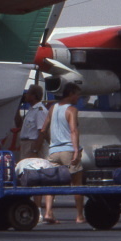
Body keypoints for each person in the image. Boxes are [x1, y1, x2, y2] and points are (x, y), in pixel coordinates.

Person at [42, 82, 85, 225]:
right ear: (71, 94)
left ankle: (48, 212)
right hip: (67, 149)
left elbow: (43, 129)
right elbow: (73, 130)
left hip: (54, 151)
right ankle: (79, 215)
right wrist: (76, 151)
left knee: (51, 183)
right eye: (77, 95)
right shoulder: (72, 110)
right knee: (77, 183)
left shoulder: (53, 108)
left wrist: (51, 143)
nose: (78, 98)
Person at [16, 85, 48, 162]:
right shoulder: (31, 110)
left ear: (34, 96)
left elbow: (42, 132)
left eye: (28, 93)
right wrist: (18, 106)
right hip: (25, 144)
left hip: (32, 144)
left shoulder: (40, 111)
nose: (25, 95)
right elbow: (18, 124)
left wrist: (35, 151)